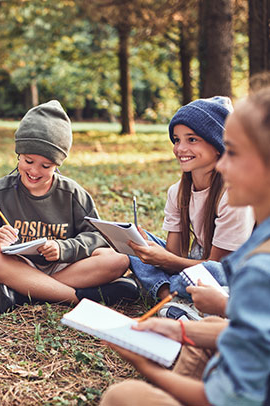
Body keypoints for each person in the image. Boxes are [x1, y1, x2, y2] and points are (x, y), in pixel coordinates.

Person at [99, 86, 270, 406]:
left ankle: (169, 301)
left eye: (231, 152)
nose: (221, 164)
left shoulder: (259, 269)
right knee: (207, 317)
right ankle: (176, 308)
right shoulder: (182, 190)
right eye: (177, 139)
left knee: (122, 395)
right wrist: (181, 332)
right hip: (213, 303)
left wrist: (147, 367)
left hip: (231, 382)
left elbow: (230, 399)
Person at [0, 100, 139, 314]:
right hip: (18, 266)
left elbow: (97, 237)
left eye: (46, 166)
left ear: (58, 164)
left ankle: (24, 294)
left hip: (65, 266)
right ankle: (77, 298)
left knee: (118, 260)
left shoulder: (72, 194)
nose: (34, 171)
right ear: (18, 155)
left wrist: (63, 248)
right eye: (28, 161)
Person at [116, 97, 254, 320]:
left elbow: (218, 265)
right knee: (134, 248)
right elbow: (174, 254)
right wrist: (150, 252)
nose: (180, 148)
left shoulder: (233, 194)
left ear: (217, 145)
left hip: (236, 269)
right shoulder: (178, 191)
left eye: (192, 139)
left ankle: (170, 295)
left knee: (203, 274)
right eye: (177, 140)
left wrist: (164, 260)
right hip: (197, 260)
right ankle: (172, 297)